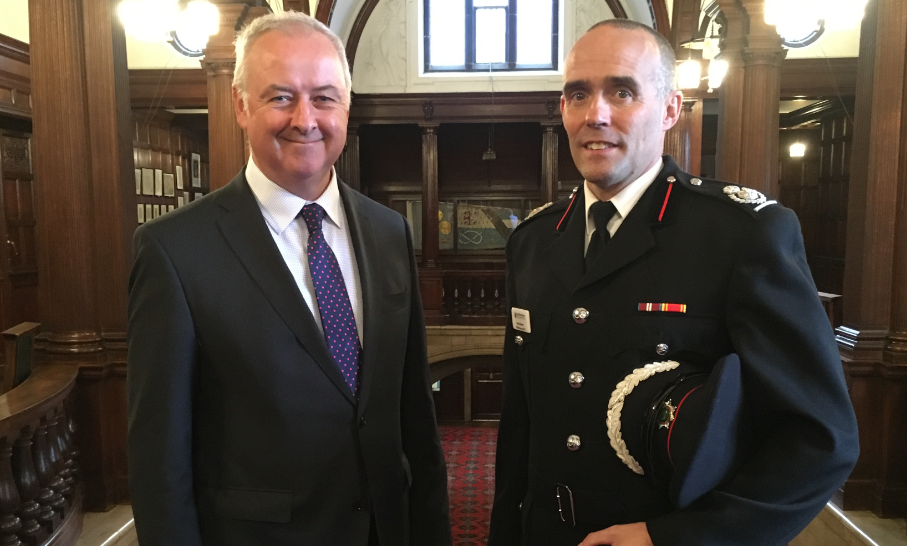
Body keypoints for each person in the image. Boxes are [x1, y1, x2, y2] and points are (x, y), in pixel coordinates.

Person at [488, 19, 859, 546]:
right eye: (578, 94)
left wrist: (677, 538)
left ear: (669, 109)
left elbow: (821, 439)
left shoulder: (741, 234)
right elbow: (521, 424)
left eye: (622, 91)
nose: (595, 113)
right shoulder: (535, 240)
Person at [126, 12, 451, 546]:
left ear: (347, 106)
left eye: (324, 97)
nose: (306, 119)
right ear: (240, 105)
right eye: (281, 97)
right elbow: (160, 459)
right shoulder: (176, 251)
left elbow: (413, 414)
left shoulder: (388, 232)